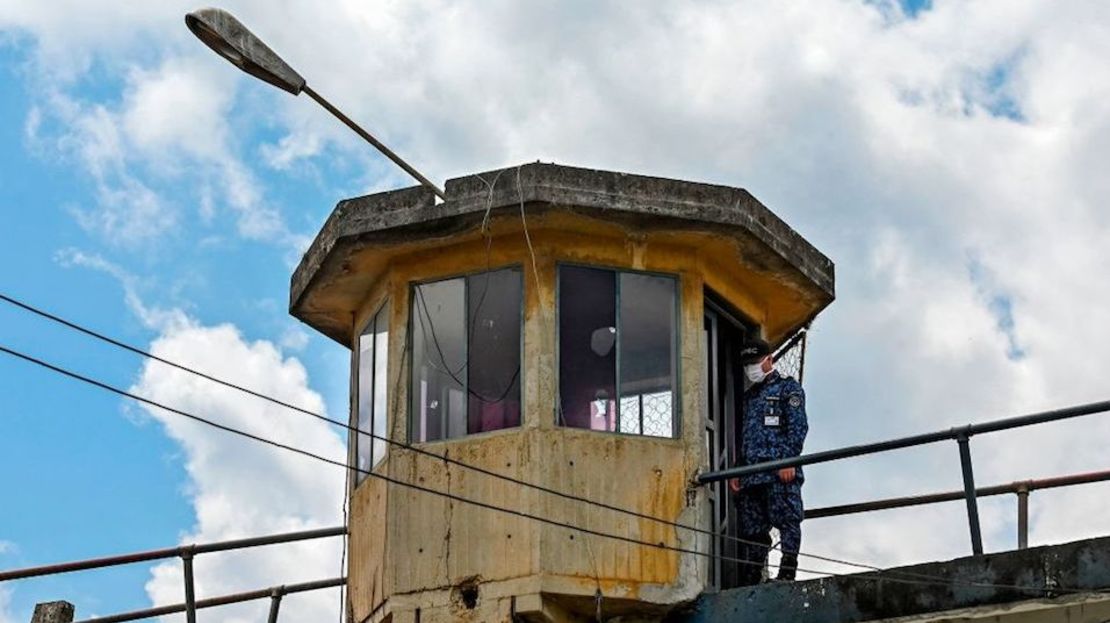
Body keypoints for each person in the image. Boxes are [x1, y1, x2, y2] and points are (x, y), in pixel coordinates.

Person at [729, 337, 808, 583]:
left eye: (755, 362)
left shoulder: (788, 389)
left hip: (778, 471)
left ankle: (787, 570)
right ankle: (753, 574)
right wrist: (737, 470)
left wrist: (788, 461)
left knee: (787, 520)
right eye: (747, 364)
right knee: (753, 528)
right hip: (752, 474)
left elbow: (798, 427)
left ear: (769, 360)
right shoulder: (749, 397)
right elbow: (746, 437)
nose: (751, 368)